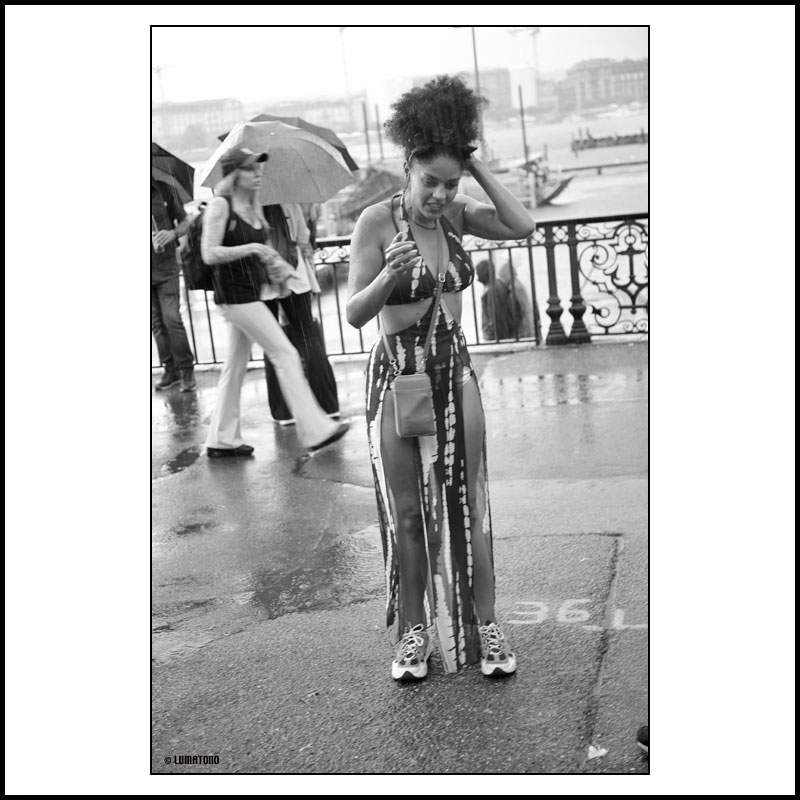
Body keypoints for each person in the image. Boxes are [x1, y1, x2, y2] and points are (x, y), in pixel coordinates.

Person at [346, 75, 535, 681]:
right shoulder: (375, 222)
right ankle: (414, 634)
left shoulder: (457, 213)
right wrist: (387, 276)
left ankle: (486, 625)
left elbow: (522, 225)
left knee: (469, 505)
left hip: (455, 373)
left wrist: (473, 168)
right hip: (397, 377)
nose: (439, 193)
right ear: (409, 166)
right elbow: (354, 314)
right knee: (408, 515)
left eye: (450, 182)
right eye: (431, 180)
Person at [201, 145, 350, 458]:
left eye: (259, 168)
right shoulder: (220, 205)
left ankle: (221, 439)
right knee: (285, 353)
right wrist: (254, 249)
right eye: (249, 169)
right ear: (233, 174)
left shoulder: (252, 205)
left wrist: (277, 267)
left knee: (235, 366)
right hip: (234, 298)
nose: (257, 174)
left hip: (251, 293)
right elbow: (209, 253)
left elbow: (265, 250)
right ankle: (315, 430)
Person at [261, 202, 340, 425]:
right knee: (308, 338)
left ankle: (283, 412)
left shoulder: (249, 206)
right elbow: (304, 239)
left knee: (271, 344)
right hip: (295, 274)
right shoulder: (289, 202)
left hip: (264, 281)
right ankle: (328, 405)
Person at [151, 179, 196, 392]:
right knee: (157, 324)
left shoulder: (165, 189)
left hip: (166, 267)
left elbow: (185, 222)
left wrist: (171, 234)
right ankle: (170, 370)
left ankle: (187, 370)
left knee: (172, 319)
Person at [475, 259, 517, 341]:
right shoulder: (498, 284)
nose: (477, 278)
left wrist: (490, 336)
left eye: (478, 273)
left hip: (497, 336)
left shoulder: (491, 291)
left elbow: (494, 318)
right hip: (503, 333)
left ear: (483, 273)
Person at [497, 260, 535, 339]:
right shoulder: (515, 286)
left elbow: (519, 310)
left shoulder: (515, 288)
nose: (502, 281)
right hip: (524, 327)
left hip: (523, 330)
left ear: (507, 275)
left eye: (502, 277)